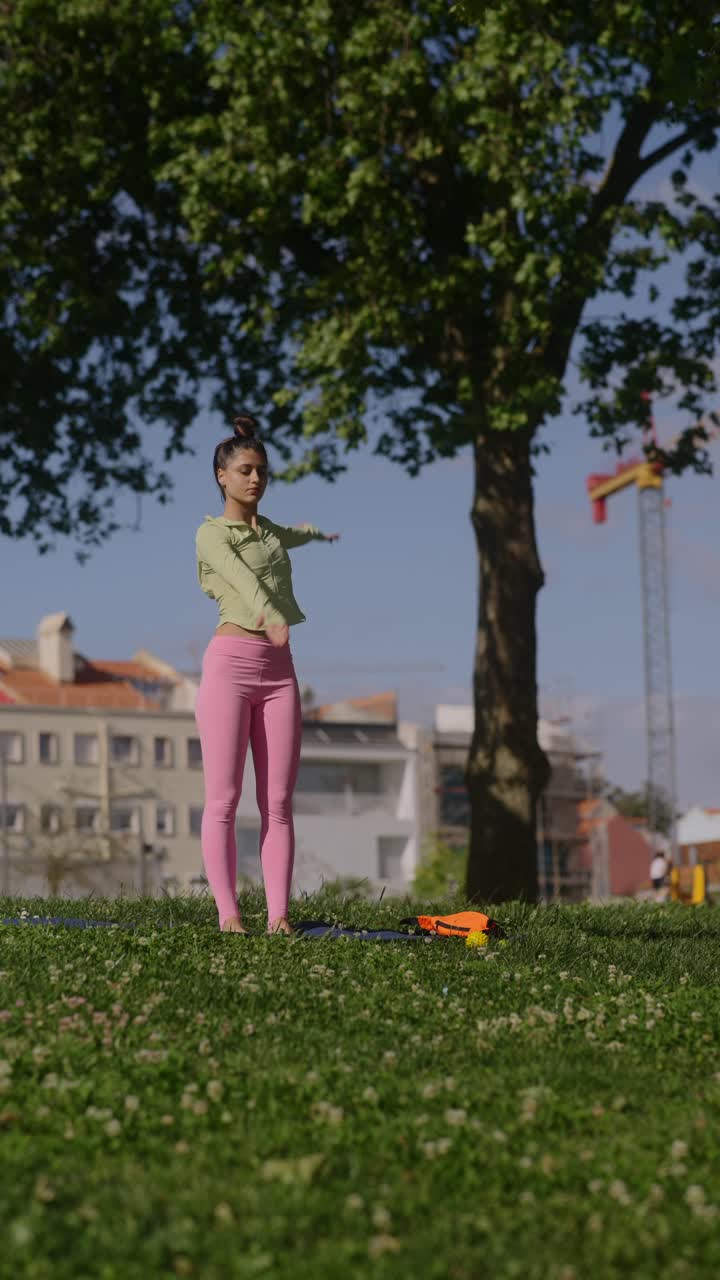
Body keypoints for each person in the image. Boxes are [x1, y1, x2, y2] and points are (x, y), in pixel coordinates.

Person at [194, 412, 340, 935]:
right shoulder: (212, 534)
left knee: (277, 801)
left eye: (262, 471)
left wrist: (318, 535)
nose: (256, 479)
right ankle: (229, 915)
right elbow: (241, 578)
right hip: (229, 668)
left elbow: (289, 536)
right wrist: (269, 612)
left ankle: (279, 917)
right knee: (224, 799)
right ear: (222, 477)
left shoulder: (268, 531)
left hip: (279, 673)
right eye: (245, 471)